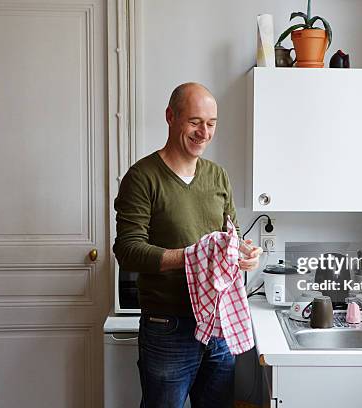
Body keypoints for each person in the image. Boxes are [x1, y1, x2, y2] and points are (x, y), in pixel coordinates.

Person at [113, 82, 262, 408]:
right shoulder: (142, 177)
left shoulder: (217, 176)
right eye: (194, 121)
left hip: (220, 322)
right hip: (169, 325)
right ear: (171, 117)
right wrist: (194, 257)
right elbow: (127, 249)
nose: (203, 132)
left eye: (211, 124)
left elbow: (231, 233)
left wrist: (245, 254)